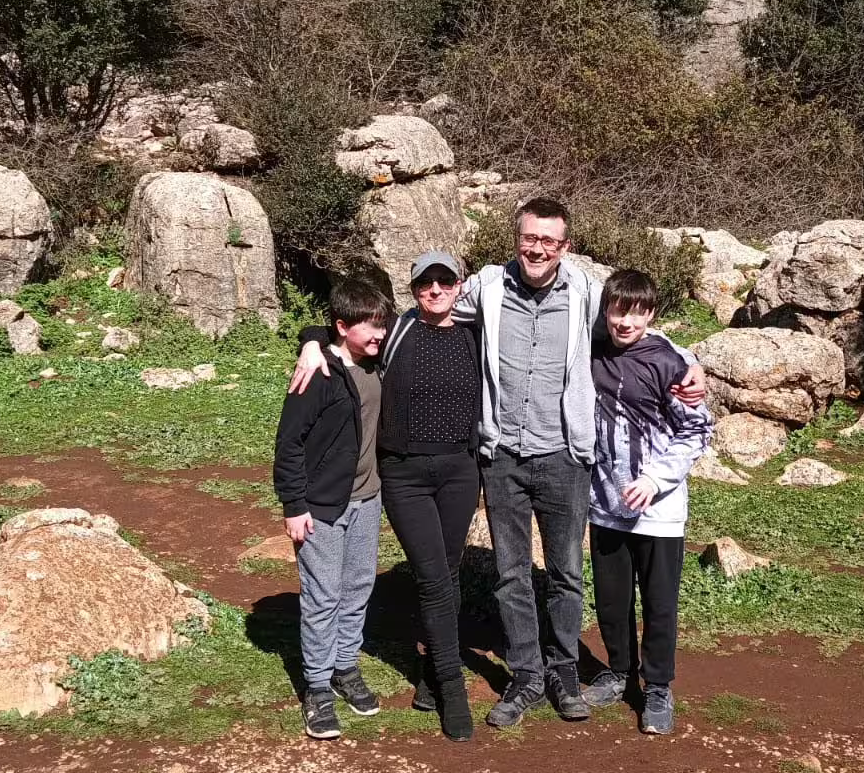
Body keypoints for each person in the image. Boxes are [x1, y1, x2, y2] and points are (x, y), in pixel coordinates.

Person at [294, 197, 704, 730]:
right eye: (530, 238)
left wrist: (689, 362)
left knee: (566, 574)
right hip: (502, 457)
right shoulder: (485, 288)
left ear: (565, 247)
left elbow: (632, 326)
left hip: (564, 457)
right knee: (511, 575)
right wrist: (315, 339)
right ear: (517, 239)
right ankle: (527, 674)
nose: (538, 248)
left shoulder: (582, 291)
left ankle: (562, 670)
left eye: (549, 241)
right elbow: (401, 319)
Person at [294, 251, 483, 740]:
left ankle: (426, 672)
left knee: (446, 569)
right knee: (430, 573)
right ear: (414, 286)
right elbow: (345, 331)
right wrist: (311, 342)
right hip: (403, 474)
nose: (435, 289)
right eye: (425, 282)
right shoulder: (395, 333)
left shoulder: (476, 331)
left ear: (460, 285)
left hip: (461, 470)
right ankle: (450, 683)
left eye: (445, 281)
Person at [581, 268, 714, 735]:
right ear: (606, 309)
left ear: (651, 315)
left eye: (637, 314)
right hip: (605, 504)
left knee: (659, 603)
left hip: (658, 511)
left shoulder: (669, 362)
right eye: (618, 310)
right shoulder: (591, 344)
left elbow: (698, 429)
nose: (625, 322)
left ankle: (657, 686)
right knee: (611, 602)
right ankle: (618, 673)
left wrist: (656, 479)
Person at [273, 278, 392, 740]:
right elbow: (289, 444)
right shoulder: (317, 374)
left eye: (382, 325)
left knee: (358, 586)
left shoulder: (375, 361)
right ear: (343, 326)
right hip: (321, 506)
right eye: (370, 327)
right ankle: (318, 688)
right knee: (323, 596)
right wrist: (293, 504)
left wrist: (311, 336)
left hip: (368, 498)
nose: (379, 334)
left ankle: (346, 668)